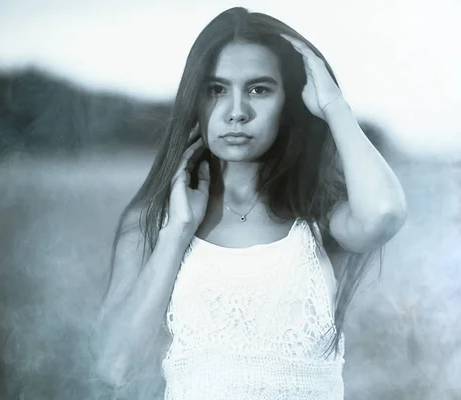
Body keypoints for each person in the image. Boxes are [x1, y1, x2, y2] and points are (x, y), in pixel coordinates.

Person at [91, 6, 407, 399]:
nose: (237, 112)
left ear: (289, 102)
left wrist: (334, 106)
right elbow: (113, 364)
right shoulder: (153, 222)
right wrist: (177, 233)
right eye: (216, 90)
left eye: (259, 89)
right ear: (196, 100)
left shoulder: (320, 216)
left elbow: (384, 214)